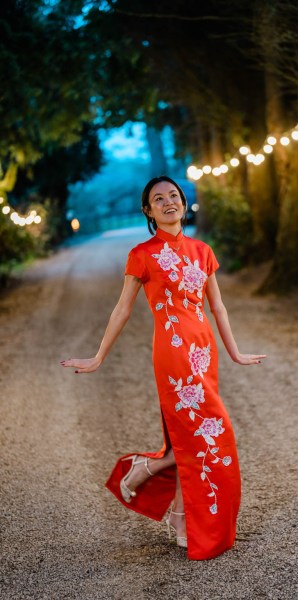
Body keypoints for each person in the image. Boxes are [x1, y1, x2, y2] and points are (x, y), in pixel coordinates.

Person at [60, 176, 266, 560]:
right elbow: (122, 308)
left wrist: (235, 352)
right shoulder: (142, 254)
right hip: (173, 355)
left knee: (191, 433)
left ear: (184, 203)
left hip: (204, 353)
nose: (168, 202)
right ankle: (145, 471)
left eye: (174, 196)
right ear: (148, 211)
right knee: (209, 433)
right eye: (159, 199)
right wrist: (98, 356)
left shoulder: (203, 251)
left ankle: (178, 514)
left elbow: (217, 307)